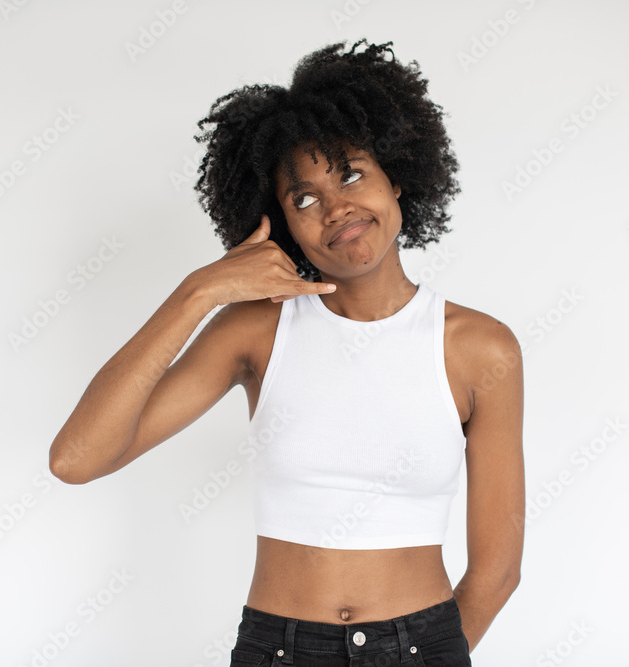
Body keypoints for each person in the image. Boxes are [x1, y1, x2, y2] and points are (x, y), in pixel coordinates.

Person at [49, 39, 524, 666]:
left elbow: (496, 572)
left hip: (423, 648)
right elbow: (77, 458)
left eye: (351, 172)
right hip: (278, 651)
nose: (337, 207)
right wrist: (198, 292)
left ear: (398, 177)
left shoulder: (480, 348)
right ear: (280, 223)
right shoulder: (256, 333)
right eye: (304, 198)